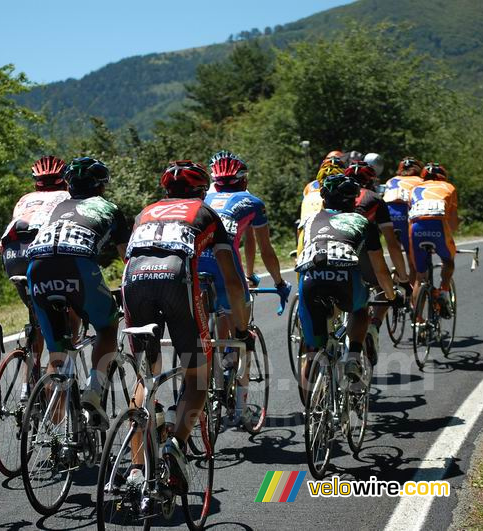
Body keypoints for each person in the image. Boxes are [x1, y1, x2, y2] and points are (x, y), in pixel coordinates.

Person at [123, 160, 251, 492]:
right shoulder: (205, 213)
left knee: (145, 375)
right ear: (200, 190)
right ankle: (175, 444)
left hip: (134, 281)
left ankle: (136, 469)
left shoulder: (145, 212)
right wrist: (240, 328)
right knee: (197, 374)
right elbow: (233, 281)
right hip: (176, 280)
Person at [25, 157, 131, 428]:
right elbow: (128, 260)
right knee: (107, 326)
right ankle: (93, 392)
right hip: (78, 265)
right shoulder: (108, 208)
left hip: (35, 267)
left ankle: (55, 435)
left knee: (57, 354)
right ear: (101, 187)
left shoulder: (56, 207)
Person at [198, 151, 291, 422]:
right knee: (242, 333)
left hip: (194, 267)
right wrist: (279, 282)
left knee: (203, 329)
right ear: (244, 179)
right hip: (225, 266)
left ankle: (211, 369)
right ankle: (240, 406)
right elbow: (265, 248)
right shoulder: (252, 202)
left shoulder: (201, 199)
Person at [296, 173, 396, 391]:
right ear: (353, 202)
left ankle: (310, 410)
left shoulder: (309, 220)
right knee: (360, 311)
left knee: (313, 351)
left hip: (310, 281)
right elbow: (379, 269)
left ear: (323, 200)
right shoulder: (362, 222)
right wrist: (391, 296)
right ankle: (352, 356)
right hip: (345, 280)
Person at [0, 155, 71, 399]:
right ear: (65, 181)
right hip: (41, 254)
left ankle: (26, 389)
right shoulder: (67, 197)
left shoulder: (24, 199)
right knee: (60, 314)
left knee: (37, 315)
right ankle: (57, 373)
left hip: (12, 257)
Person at [346, 161, 408, 359]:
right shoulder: (374, 199)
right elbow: (391, 242)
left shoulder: (336, 195)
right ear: (371, 182)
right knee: (382, 284)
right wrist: (404, 280)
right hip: (362, 249)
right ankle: (373, 327)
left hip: (329, 250)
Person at [409, 163, 459, 315]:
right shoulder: (449, 187)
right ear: (443, 176)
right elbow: (453, 221)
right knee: (449, 261)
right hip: (438, 227)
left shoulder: (414, 188)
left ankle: (417, 321)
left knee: (419, 277)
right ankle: (443, 291)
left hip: (416, 228)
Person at [383, 157, 425, 279]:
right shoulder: (420, 181)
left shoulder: (390, 180)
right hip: (405, 214)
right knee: (413, 263)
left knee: (394, 249)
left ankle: (395, 274)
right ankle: (412, 294)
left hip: (387, 215)